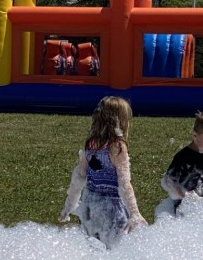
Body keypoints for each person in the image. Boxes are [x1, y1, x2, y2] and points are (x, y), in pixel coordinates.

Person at [59, 96, 147, 249]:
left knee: (93, 250)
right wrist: (134, 213)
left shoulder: (91, 143)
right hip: (111, 209)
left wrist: (69, 206)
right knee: (115, 252)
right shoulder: (117, 146)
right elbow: (124, 183)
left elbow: (79, 177)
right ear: (121, 121)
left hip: (90, 206)